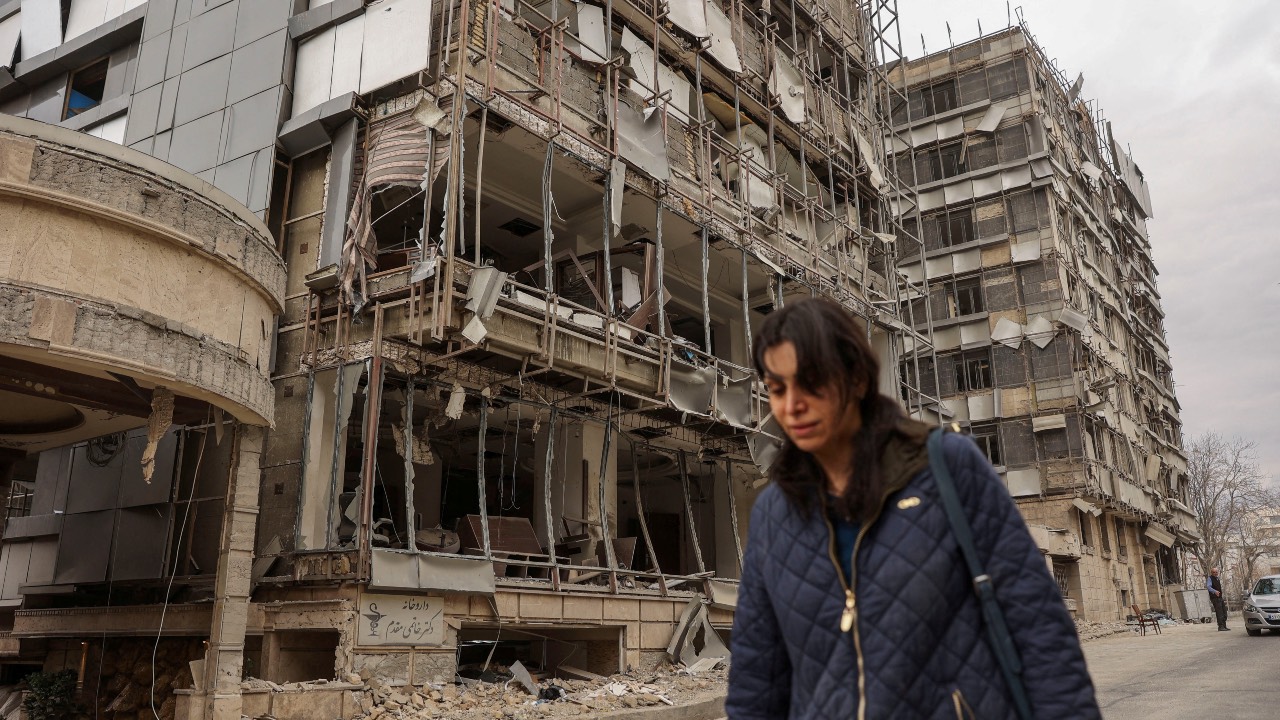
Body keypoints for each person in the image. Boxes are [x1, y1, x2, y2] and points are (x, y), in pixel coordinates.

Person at [726, 298, 1099, 719]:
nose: (791, 405)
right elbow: (756, 679)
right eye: (777, 388)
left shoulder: (947, 469)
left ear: (857, 380)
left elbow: (1040, 630)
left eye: (811, 382)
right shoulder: (774, 513)